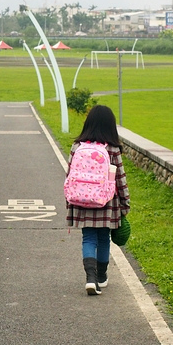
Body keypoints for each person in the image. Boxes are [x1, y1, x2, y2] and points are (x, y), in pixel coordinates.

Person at [66, 104, 130, 295]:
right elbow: (121, 179)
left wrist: (70, 200)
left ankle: (90, 278)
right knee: (104, 238)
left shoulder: (77, 147)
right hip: (106, 201)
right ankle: (101, 277)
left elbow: (70, 175)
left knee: (88, 237)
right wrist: (125, 203)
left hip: (81, 200)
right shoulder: (112, 149)